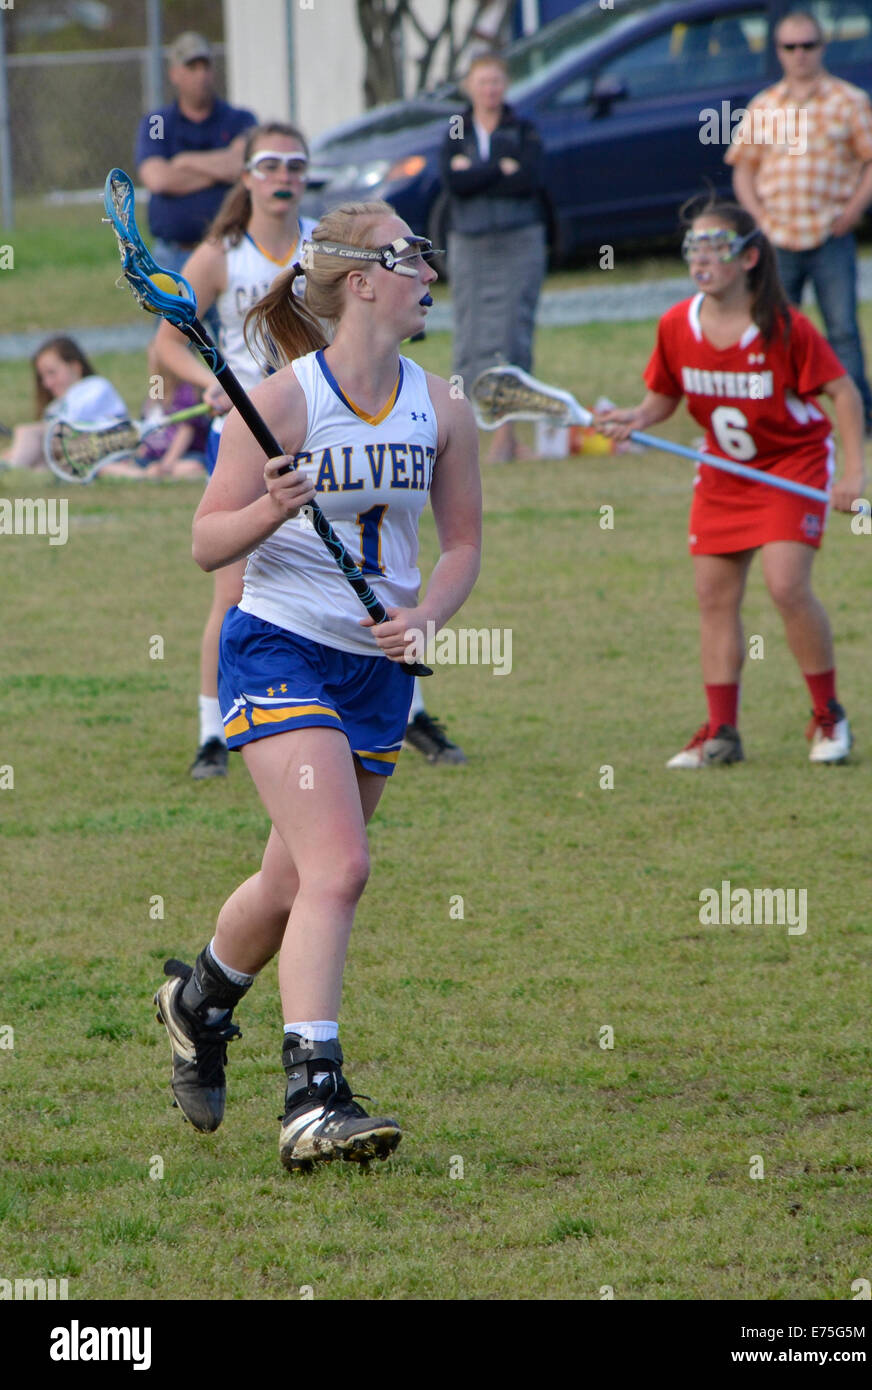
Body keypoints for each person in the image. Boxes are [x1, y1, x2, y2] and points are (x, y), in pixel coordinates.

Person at [153, 201, 481, 1170]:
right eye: (409, 254)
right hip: (281, 648)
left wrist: (425, 617)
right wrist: (269, 505)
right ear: (363, 281)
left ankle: (199, 1000)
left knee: (291, 880)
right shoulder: (285, 402)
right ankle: (312, 1093)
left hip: (375, 670)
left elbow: (461, 545)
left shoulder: (442, 403)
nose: (427, 268)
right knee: (340, 869)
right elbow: (206, 538)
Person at [595, 197, 865, 768]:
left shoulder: (784, 327)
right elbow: (665, 393)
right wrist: (637, 417)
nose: (702, 258)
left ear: (747, 258)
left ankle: (828, 716)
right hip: (723, 472)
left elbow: (842, 392)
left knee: (786, 584)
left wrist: (855, 475)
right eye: (694, 246)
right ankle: (721, 732)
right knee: (713, 597)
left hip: (793, 466)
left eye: (716, 247)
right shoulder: (676, 324)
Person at [152, 122, 315, 778]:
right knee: (234, 589)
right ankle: (211, 733)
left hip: (317, 431)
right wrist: (207, 384)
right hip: (244, 439)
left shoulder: (324, 249)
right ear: (246, 176)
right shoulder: (220, 254)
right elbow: (167, 342)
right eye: (270, 165)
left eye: (296, 166)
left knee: (358, 571)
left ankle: (405, 708)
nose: (284, 177)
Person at [726, 9, 872, 438]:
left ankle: (860, 421)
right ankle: (776, 414)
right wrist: (758, 217)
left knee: (842, 330)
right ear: (778, 52)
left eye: (808, 45)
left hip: (830, 235)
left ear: (822, 47)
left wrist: (853, 209)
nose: (799, 55)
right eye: (789, 47)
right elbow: (742, 167)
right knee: (773, 329)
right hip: (778, 237)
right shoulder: (765, 105)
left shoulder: (848, 100)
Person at [439, 52, 546, 463]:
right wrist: (497, 169)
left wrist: (478, 171)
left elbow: (529, 179)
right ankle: (465, 435)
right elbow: (454, 182)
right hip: (470, 241)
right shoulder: (455, 128)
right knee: (470, 334)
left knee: (513, 332)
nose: (490, 90)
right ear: (469, 85)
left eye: (497, 81)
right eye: (483, 82)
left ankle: (509, 435)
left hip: (520, 240)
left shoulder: (524, 127)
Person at [135, 31, 257, 276]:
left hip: (230, 250)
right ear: (174, 74)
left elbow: (240, 167)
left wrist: (184, 162)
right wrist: (219, 171)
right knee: (172, 314)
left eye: (205, 66)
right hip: (173, 257)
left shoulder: (239, 120)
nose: (201, 75)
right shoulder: (158, 122)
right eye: (192, 67)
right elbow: (158, 179)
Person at [0, 336, 127, 471]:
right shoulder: (54, 407)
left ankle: (11, 472)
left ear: (76, 367)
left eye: (52, 373)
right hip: (76, 453)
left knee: (27, 433)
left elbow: (73, 423)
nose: (47, 383)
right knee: (32, 460)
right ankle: (11, 470)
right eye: (43, 377)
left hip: (109, 444)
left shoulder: (95, 386)